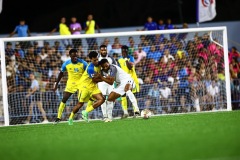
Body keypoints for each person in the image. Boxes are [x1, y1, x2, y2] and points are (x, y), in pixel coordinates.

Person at [68, 51, 105, 125]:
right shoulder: (90, 68)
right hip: (84, 87)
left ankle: (86, 112)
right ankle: (70, 118)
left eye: (97, 59)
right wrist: (105, 79)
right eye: (94, 60)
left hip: (93, 87)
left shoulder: (99, 64)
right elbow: (95, 79)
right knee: (80, 104)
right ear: (91, 60)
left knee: (102, 99)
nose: (96, 61)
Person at [53, 49, 88, 124]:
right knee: (64, 99)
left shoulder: (83, 63)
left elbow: (88, 72)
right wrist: (56, 84)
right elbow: (61, 73)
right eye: (73, 56)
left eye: (76, 55)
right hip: (70, 84)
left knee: (82, 101)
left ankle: (84, 115)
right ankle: (58, 117)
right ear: (70, 56)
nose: (75, 57)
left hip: (81, 84)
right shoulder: (66, 64)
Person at [118, 45, 140, 118]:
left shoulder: (131, 58)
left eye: (124, 51)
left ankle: (136, 112)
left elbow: (130, 67)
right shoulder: (119, 60)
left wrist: (126, 60)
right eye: (122, 51)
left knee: (132, 95)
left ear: (127, 51)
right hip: (123, 81)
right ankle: (125, 112)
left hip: (132, 80)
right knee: (123, 96)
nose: (123, 52)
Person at [98, 45, 117, 122]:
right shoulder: (98, 59)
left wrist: (113, 76)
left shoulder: (111, 58)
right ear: (100, 51)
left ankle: (110, 116)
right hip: (102, 82)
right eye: (102, 50)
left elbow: (116, 67)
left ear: (106, 50)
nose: (103, 51)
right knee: (102, 98)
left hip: (110, 81)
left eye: (104, 50)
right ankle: (105, 116)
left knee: (111, 98)